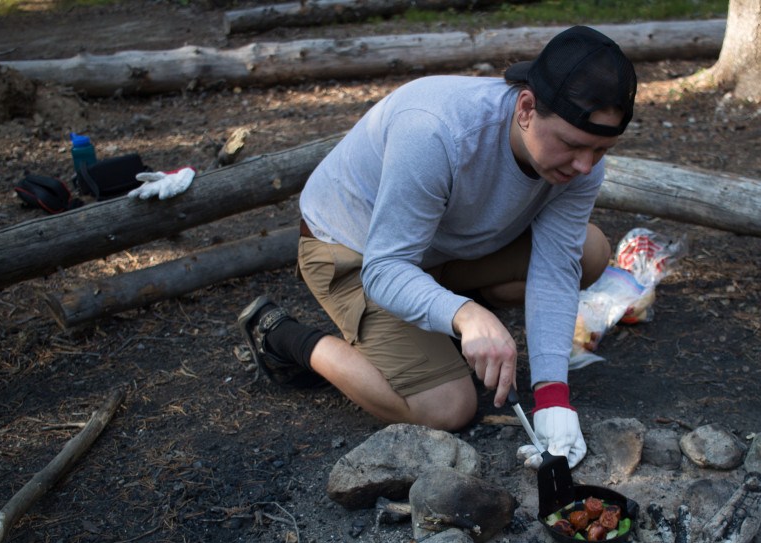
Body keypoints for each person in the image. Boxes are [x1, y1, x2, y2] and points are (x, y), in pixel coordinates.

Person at [238, 25, 637, 468]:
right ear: (526, 108)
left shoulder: (581, 166)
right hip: (354, 250)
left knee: (589, 250)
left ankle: (446, 318)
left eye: (601, 150)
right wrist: (466, 315)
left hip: (442, 252)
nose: (585, 166)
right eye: (572, 145)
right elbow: (385, 269)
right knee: (448, 407)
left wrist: (553, 397)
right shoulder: (436, 132)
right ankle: (284, 337)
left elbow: (557, 265)